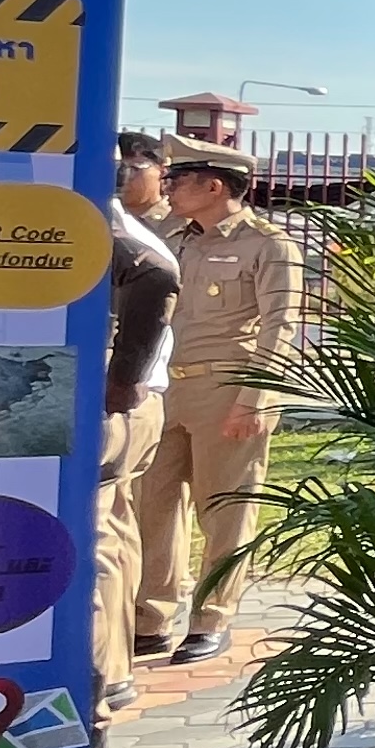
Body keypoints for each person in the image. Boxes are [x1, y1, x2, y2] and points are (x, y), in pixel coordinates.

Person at [130, 138, 300, 665]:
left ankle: (211, 619)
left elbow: (282, 327)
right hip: (162, 388)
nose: (171, 187)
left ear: (214, 185)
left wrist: (257, 398)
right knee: (151, 508)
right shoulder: (164, 235)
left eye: (181, 179)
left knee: (224, 511)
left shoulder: (268, 245)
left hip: (227, 389)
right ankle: (151, 618)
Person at [89, 130, 182, 748]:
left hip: (117, 405)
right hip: (129, 402)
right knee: (115, 534)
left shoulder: (125, 241)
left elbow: (156, 277)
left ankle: (90, 712)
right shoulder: (130, 232)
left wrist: (122, 379)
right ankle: (115, 666)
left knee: (98, 544)